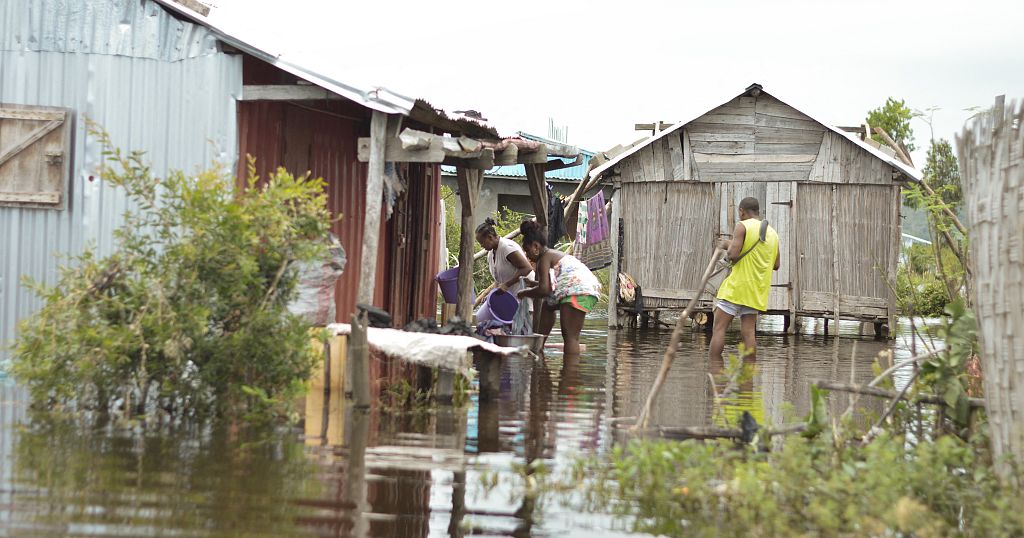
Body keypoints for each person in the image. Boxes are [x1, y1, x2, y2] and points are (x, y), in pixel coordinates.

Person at [516, 220, 602, 356]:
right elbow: (550, 286)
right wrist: (532, 284)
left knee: (570, 337)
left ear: (535, 246)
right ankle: (539, 348)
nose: (527, 256)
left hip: (578, 290)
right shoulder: (550, 255)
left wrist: (525, 292)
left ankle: (569, 375)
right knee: (548, 306)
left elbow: (544, 290)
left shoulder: (543, 259)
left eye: (527, 251)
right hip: (580, 288)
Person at [710, 197, 780, 362]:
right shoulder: (773, 233)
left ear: (742, 211)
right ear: (758, 211)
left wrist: (728, 245)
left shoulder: (743, 226)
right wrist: (733, 243)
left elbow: (733, 255)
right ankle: (748, 377)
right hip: (756, 290)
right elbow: (776, 264)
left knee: (719, 329)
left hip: (737, 287)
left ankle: (713, 369)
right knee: (749, 333)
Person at [475, 217, 534, 323]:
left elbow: (527, 268)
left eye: (482, 243)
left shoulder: (507, 247)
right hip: (511, 299)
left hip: (525, 295)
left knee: (522, 332)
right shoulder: (490, 253)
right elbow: (499, 280)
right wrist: (492, 294)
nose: (481, 246)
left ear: (490, 237)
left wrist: (507, 285)